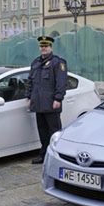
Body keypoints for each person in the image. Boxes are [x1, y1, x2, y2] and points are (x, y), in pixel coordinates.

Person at [25, 35, 68, 164]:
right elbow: (30, 82)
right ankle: (43, 155)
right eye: (42, 46)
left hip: (51, 104)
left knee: (54, 132)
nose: (44, 48)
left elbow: (61, 83)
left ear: (51, 47)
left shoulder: (58, 63)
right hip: (38, 104)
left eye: (46, 46)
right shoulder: (36, 63)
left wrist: (58, 99)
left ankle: (56, 157)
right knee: (42, 132)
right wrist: (28, 96)